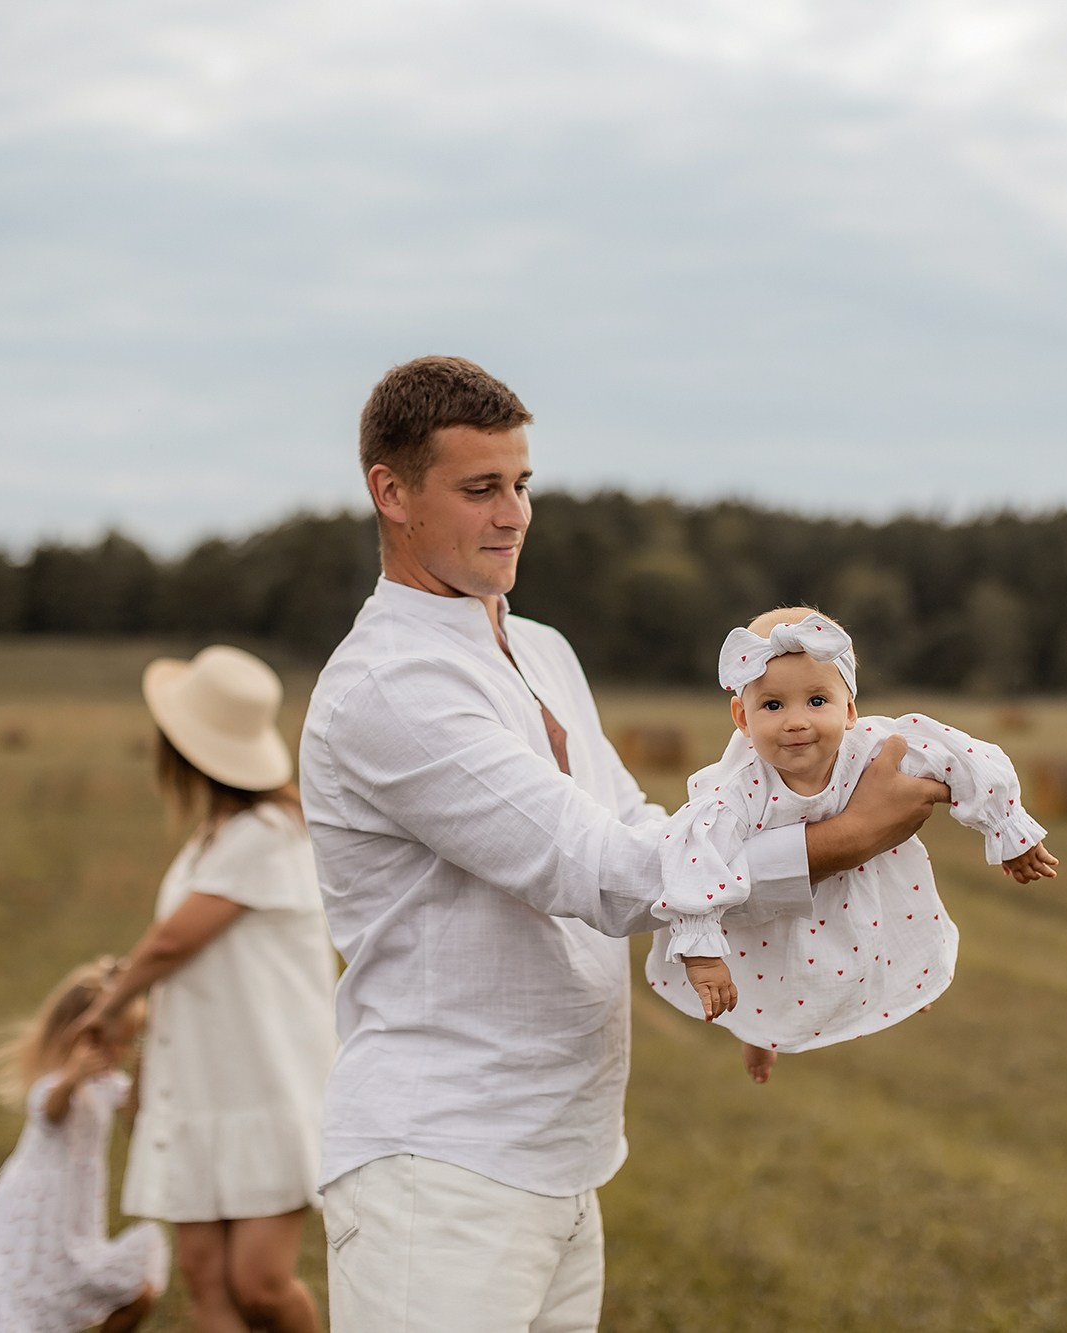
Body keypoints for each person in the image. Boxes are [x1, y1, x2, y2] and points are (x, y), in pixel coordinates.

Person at [300, 355, 948, 1332]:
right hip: (439, 1167)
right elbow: (602, 875)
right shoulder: (395, 686)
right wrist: (841, 840)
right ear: (390, 493)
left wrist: (763, 965)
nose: (513, 513)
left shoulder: (540, 648)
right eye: (480, 489)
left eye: (521, 485)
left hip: (563, 1153)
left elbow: (642, 829)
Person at [644, 608, 1059, 1082]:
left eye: (817, 701)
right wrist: (701, 951)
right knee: (766, 986)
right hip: (776, 919)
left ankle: (902, 994)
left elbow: (961, 757)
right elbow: (693, 855)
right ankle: (759, 1038)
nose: (796, 722)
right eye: (773, 706)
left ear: (849, 709)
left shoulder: (874, 747)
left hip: (871, 891)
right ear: (743, 717)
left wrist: (1007, 830)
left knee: (889, 954)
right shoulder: (738, 790)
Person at [72, 645, 336, 1333]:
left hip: (268, 1087)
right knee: (207, 1280)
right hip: (204, 1083)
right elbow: (186, 969)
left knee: (260, 1285)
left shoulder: (274, 833)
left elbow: (170, 942)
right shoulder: (212, 838)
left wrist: (105, 1007)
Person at [0, 959, 165, 1333]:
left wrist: (146, 1063)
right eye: (117, 1042)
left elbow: (135, 1116)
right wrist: (72, 1078)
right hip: (34, 1216)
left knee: (136, 1292)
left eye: (128, 1043)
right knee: (22, 1302)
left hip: (75, 1218)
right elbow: (50, 1112)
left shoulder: (106, 1083)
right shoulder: (54, 1082)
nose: (122, 1052)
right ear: (84, 1035)